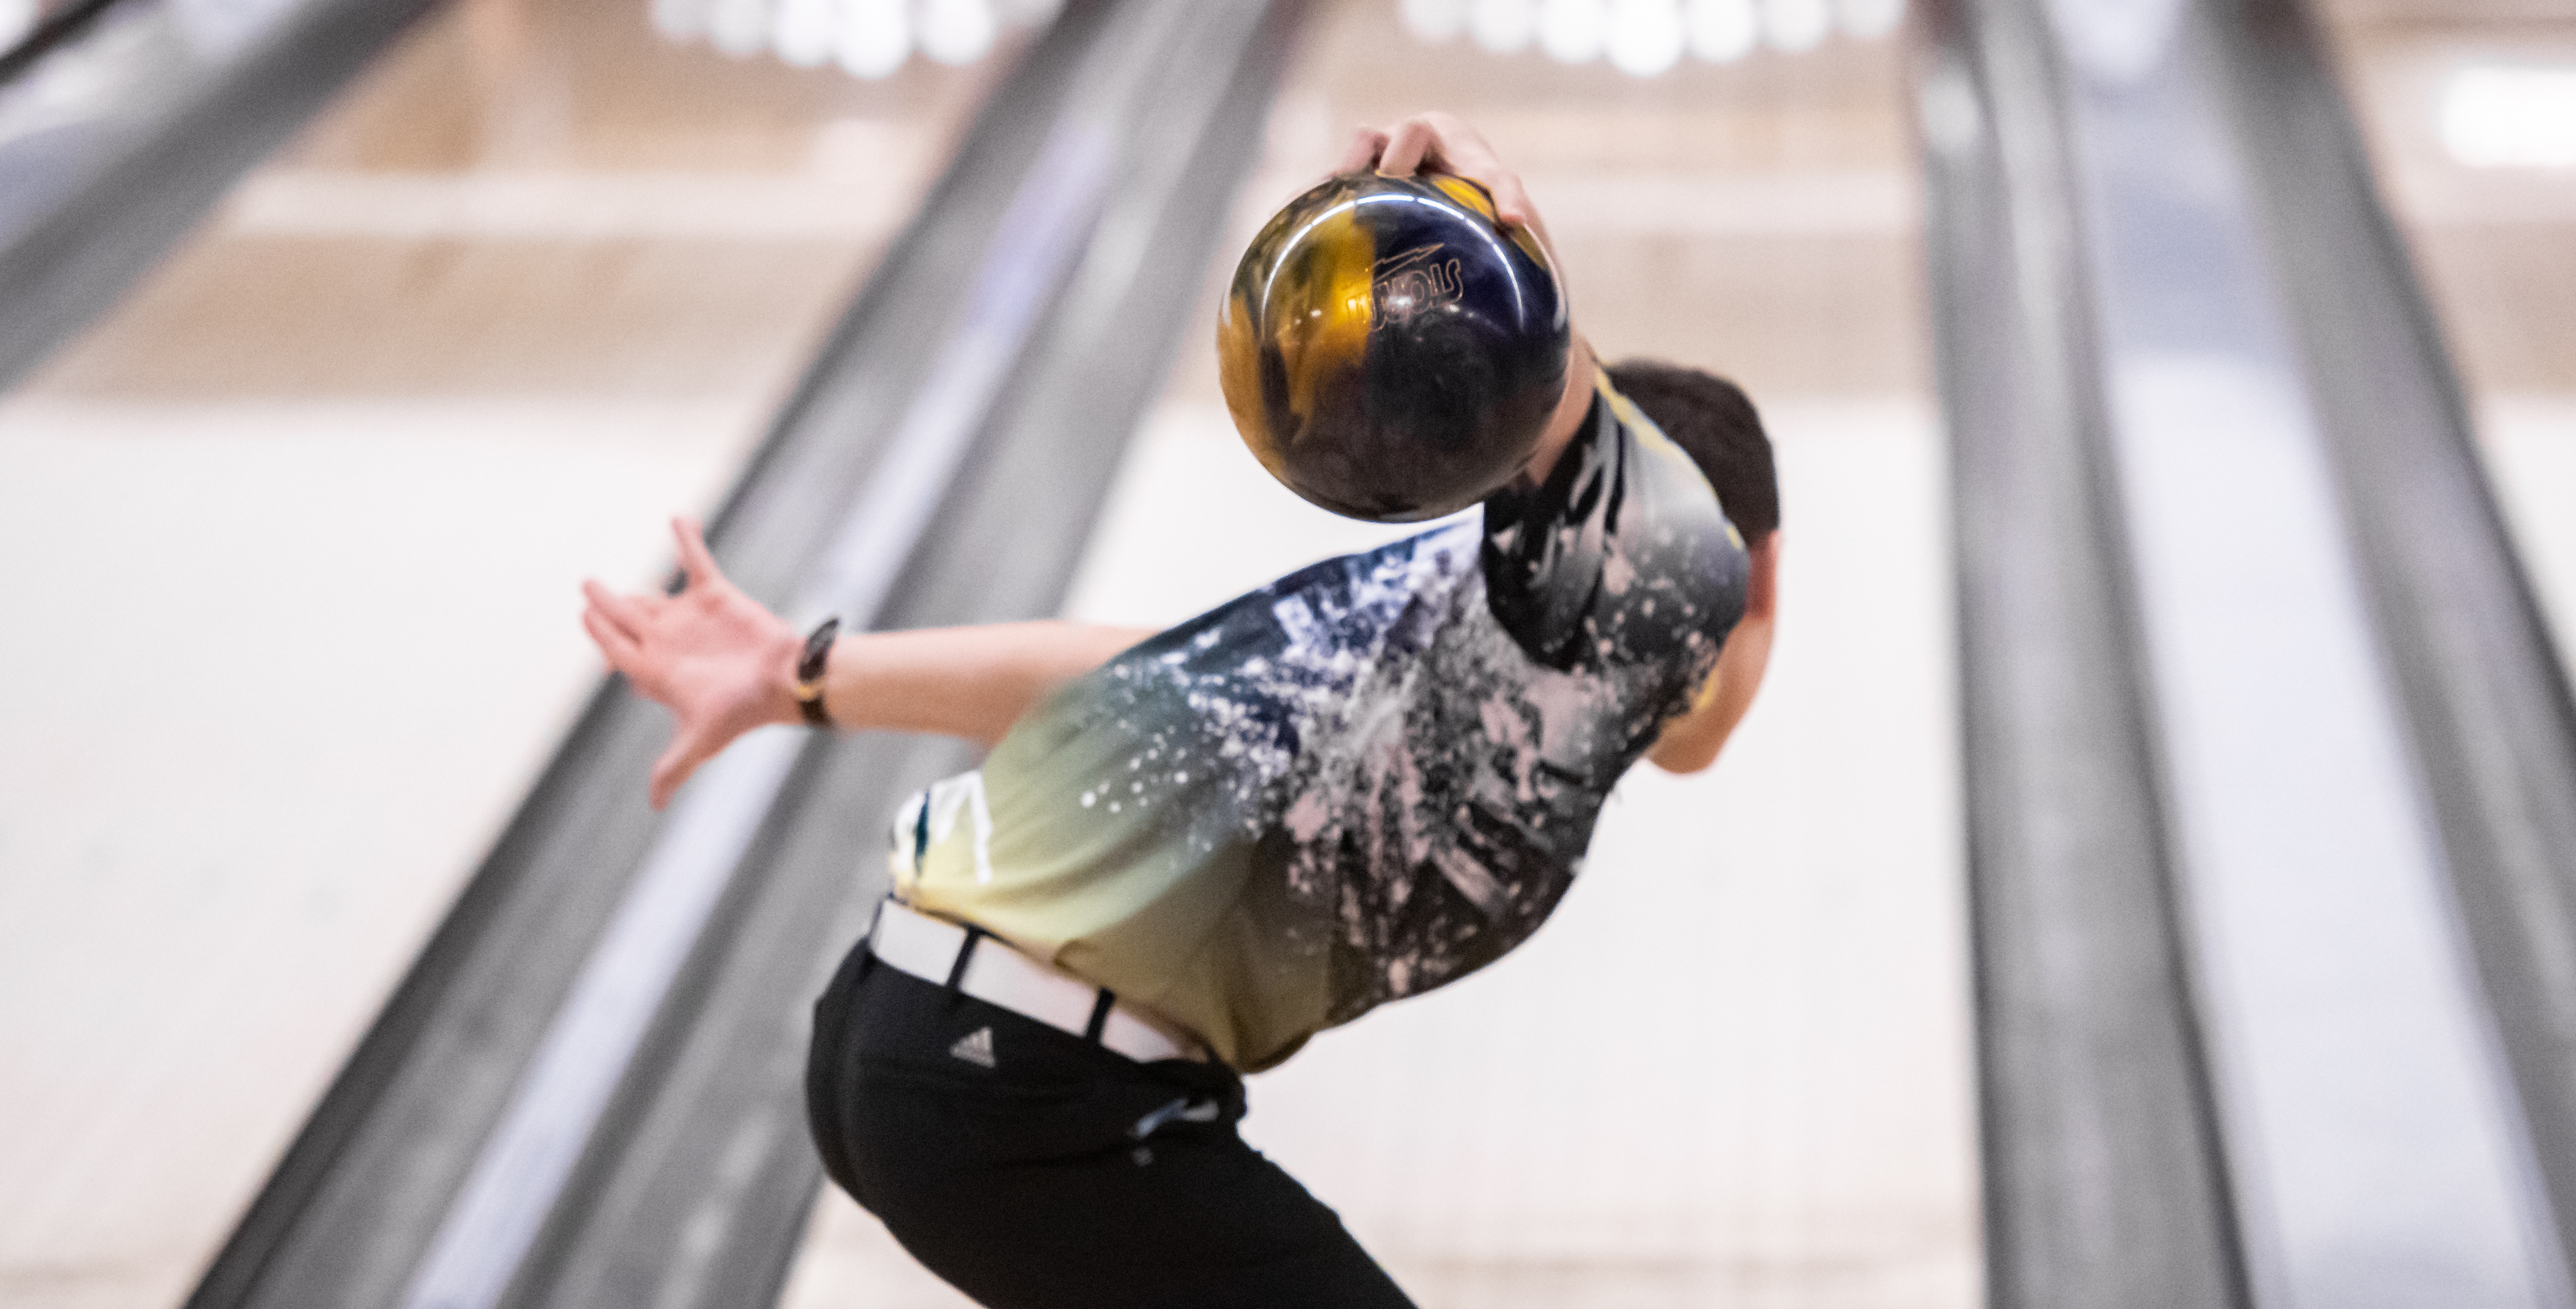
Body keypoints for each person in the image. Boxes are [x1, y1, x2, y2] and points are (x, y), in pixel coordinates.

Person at [580, 113, 1783, 1307]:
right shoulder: (1651, 590)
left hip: (914, 1035)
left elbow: (1130, 679)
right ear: (1755, 570)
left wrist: (805, 672)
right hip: (1024, 1083)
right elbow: (1564, 421)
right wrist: (1499, 239)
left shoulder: (1456, 620)